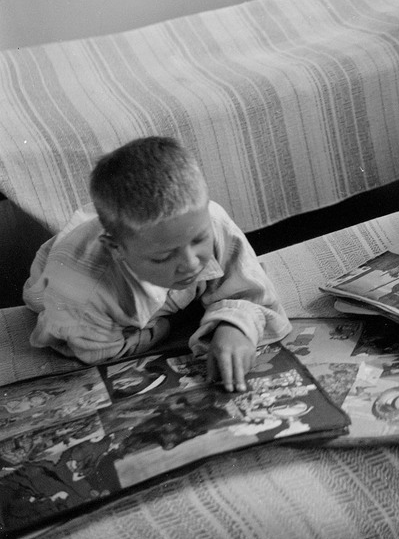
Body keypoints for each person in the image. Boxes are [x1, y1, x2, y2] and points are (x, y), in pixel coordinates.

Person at [23, 136, 291, 392]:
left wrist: (235, 326)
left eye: (199, 239)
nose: (190, 263)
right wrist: (173, 324)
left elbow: (253, 291)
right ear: (117, 250)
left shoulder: (208, 220)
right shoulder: (83, 295)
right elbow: (98, 352)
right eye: (163, 257)